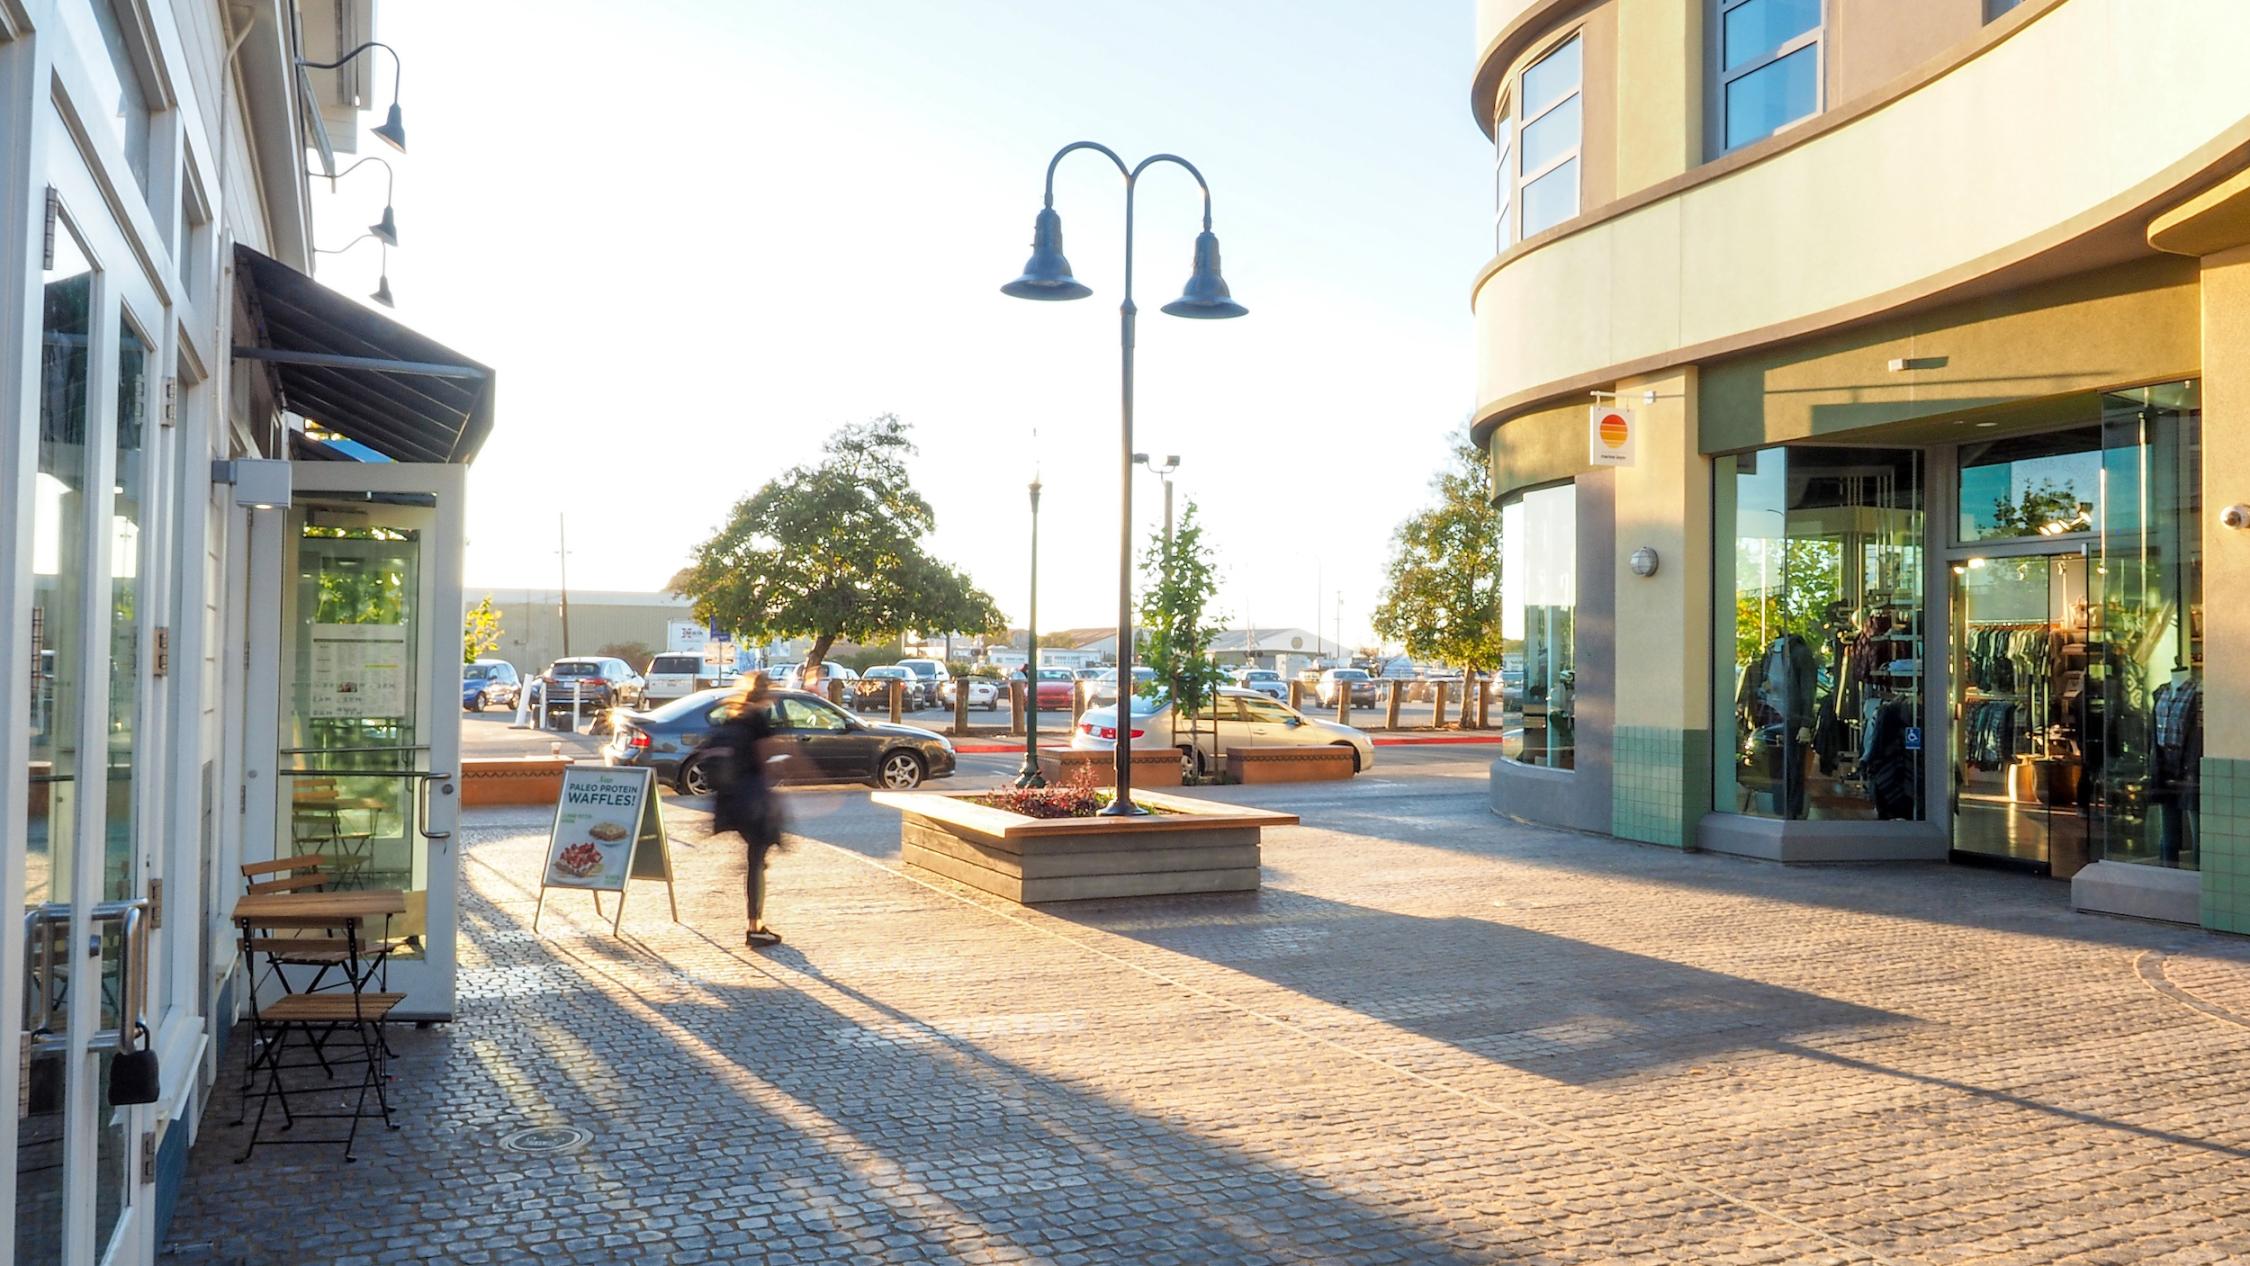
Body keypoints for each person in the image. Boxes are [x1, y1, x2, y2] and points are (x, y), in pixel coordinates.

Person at [698, 672, 790, 946]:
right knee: (756, 862)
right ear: (766, 694)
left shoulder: (732, 715)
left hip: (729, 800)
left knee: (755, 860)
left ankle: (755, 922)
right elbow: (765, 759)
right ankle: (755, 926)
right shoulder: (758, 720)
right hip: (752, 802)